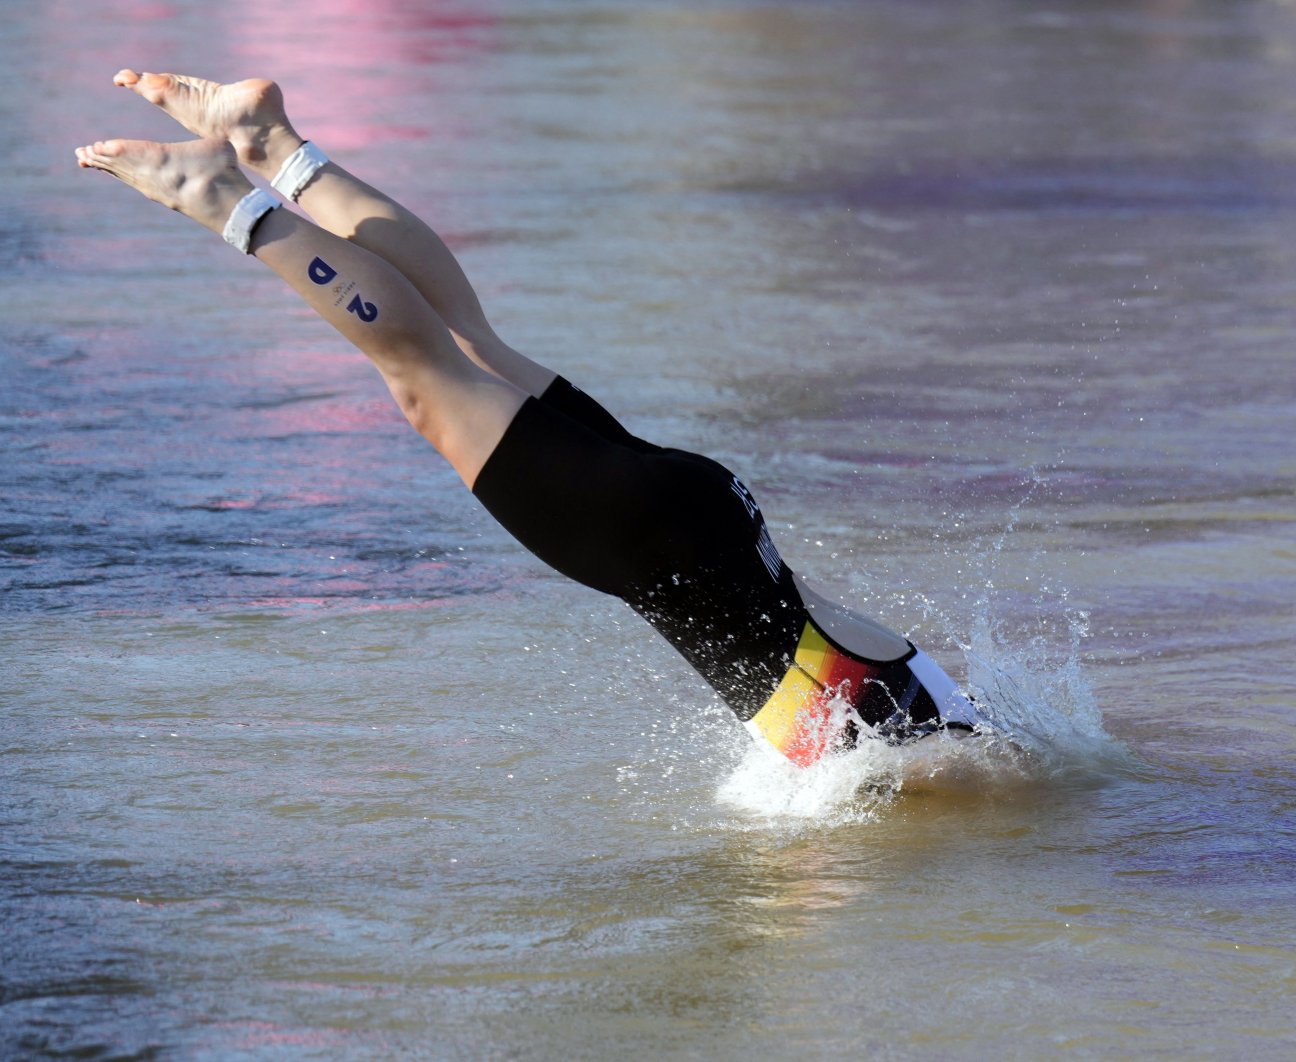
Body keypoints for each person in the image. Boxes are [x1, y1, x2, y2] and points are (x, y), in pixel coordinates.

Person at [76, 70, 979, 767]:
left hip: (709, 518)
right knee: (425, 377)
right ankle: (223, 195)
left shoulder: (935, 707)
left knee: (468, 345)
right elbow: (943, 786)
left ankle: (268, 140)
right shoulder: (941, 760)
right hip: (652, 542)